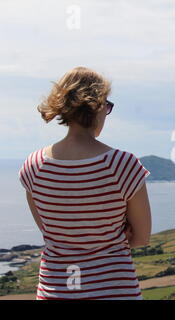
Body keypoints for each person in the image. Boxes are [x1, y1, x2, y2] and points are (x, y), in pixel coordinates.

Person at [17, 66, 152, 300]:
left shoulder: (34, 165)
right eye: (107, 107)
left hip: (55, 292)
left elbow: (50, 231)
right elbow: (141, 238)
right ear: (98, 106)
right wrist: (116, 234)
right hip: (116, 292)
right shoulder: (122, 165)